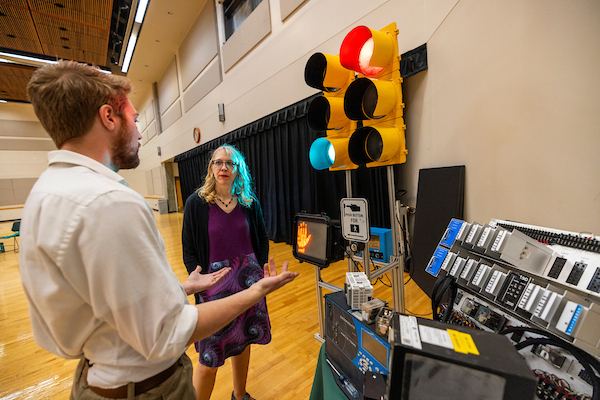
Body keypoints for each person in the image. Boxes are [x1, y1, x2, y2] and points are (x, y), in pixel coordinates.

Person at [20, 60, 298, 400]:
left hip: (95, 377)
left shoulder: (43, 193)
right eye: (135, 120)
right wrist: (255, 293)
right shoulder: (111, 202)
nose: (139, 131)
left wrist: (178, 288)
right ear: (109, 117)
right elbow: (166, 332)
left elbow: (96, 313)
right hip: (146, 389)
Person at [182, 144, 269, 400]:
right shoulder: (196, 203)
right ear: (211, 168)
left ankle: (240, 396)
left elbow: (261, 238)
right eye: (218, 162)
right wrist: (198, 280)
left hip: (248, 284)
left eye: (229, 163)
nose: (223, 167)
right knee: (209, 357)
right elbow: (189, 249)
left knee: (243, 343)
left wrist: (258, 267)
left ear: (237, 168)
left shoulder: (249, 203)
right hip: (214, 288)